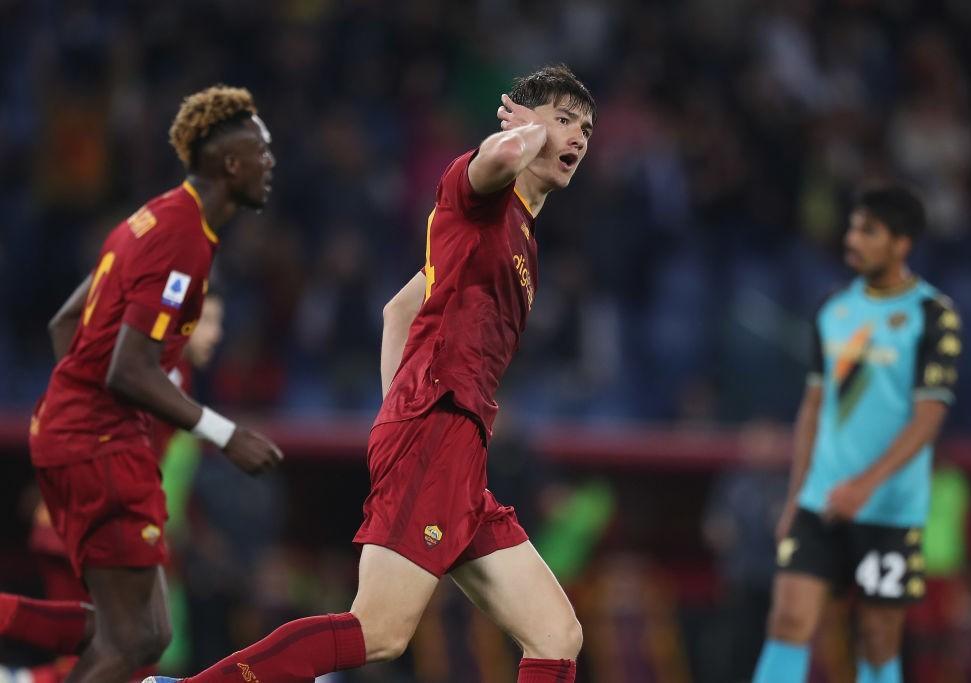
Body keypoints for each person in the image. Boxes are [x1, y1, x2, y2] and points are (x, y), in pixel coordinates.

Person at [146, 63, 595, 683]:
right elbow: (493, 160)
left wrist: (394, 414)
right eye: (564, 120)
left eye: (586, 129)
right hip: (438, 433)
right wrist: (520, 135)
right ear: (519, 121)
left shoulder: (515, 236)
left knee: (556, 635)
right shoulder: (483, 191)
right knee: (379, 632)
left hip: (454, 444)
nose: (577, 138)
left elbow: (399, 311)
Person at [0, 86, 283, 683]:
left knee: (142, 634)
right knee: (133, 640)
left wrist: (72, 415)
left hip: (82, 439)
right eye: (262, 152)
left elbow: (66, 324)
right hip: (99, 448)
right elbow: (127, 368)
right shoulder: (183, 240)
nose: (271, 163)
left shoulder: (149, 218)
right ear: (230, 165)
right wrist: (225, 434)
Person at [751, 186, 962, 683]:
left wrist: (864, 488)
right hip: (820, 503)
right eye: (852, 227)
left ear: (901, 243)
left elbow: (929, 417)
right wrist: (796, 495)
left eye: (868, 231)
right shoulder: (833, 309)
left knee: (876, 636)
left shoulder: (934, 316)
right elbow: (814, 406)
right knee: (787, 620)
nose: (852, 239)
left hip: (887, 510)